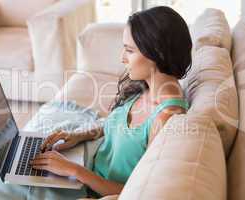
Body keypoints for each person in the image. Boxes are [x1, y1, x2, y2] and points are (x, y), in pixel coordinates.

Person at [30, 5, 192, 198]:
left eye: (129, 51)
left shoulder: (167, 117)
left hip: (93, 188)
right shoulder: (147, 88)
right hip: (88, 165)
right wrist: (78, 135)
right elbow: (115, 126)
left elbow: (141, 192)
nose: (122, 58)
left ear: (158, 53)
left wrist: (73, 170)